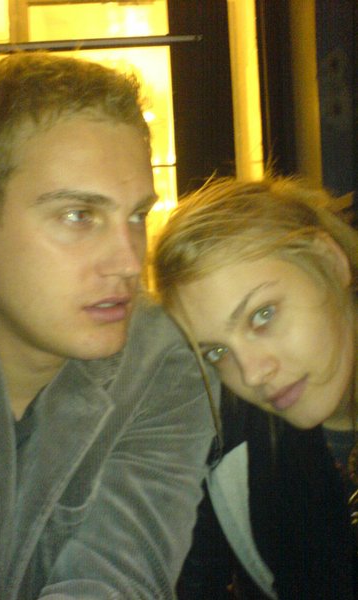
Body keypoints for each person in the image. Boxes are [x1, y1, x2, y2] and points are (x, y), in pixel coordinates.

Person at [0, 51, 217, 599]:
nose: (129, 262)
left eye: (136, 216)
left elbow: (115, 577)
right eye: (79, 216)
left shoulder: (161, 361)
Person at [153, 175, 358, 598]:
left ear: (330, 262)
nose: (251, 374)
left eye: (263, 315)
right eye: (216, 352)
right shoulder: (230, 450)